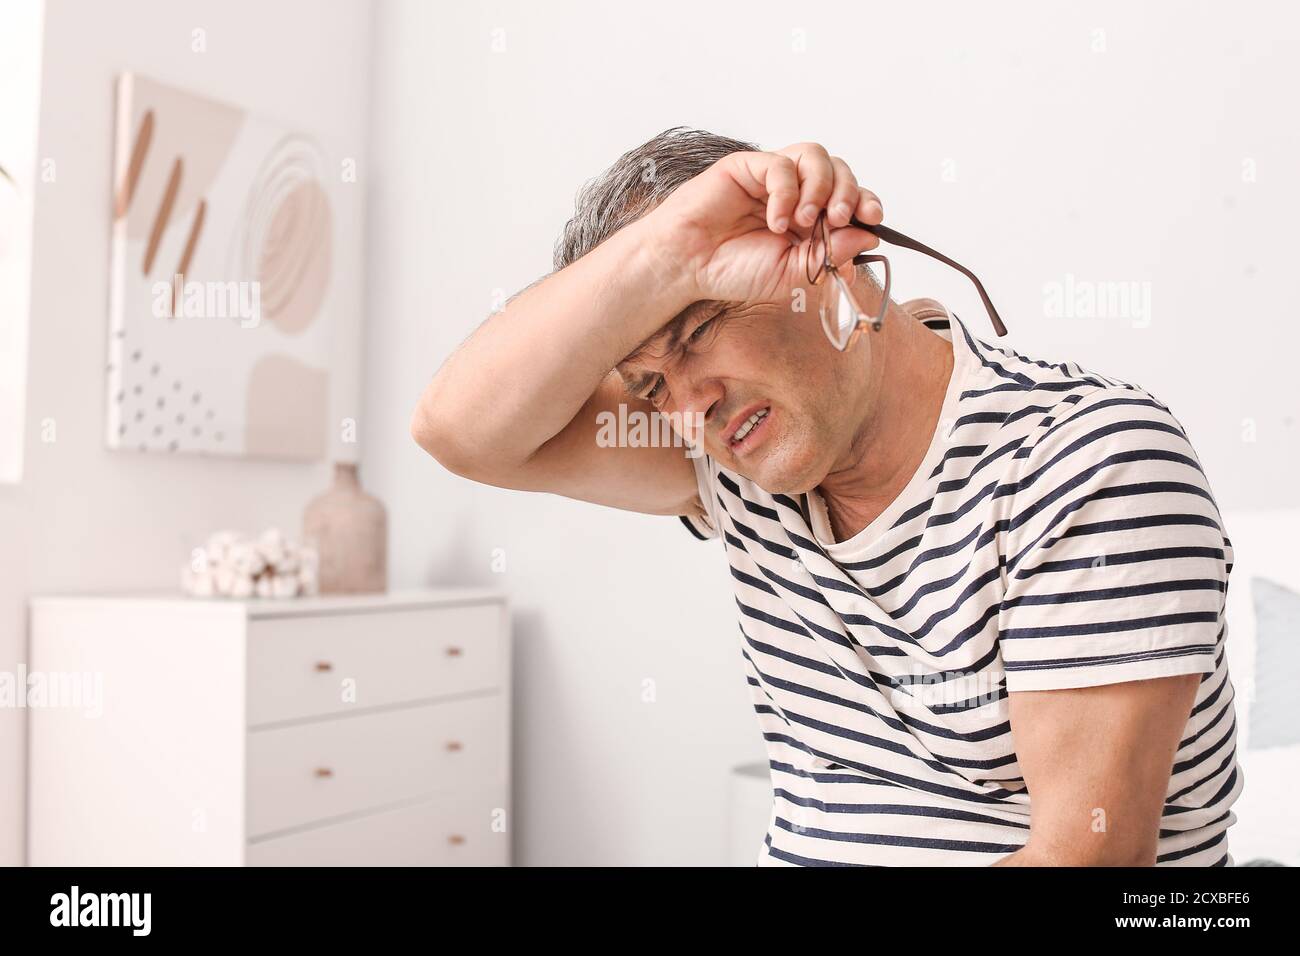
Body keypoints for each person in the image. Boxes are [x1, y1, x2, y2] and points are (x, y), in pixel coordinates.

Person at [412, 128, 1242, 866]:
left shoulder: (1087, 460)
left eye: (697, 331)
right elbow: (460, 433)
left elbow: (1086, 858)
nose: (689, 405)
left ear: (824, 260)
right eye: (649, 385)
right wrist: (664, 258)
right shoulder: (729, 466)